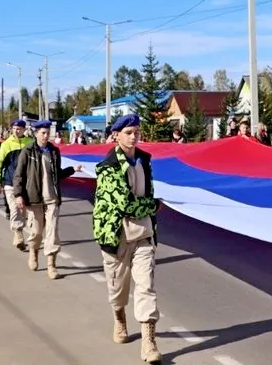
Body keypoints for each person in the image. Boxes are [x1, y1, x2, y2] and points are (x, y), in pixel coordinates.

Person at [93, 113, 162, 363]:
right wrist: (153, 206)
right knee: (118, 290)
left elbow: (145, 193)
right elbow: (125, 204)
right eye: (129, 132)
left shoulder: (144, 160)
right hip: (117, 235)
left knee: (146, 286)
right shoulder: (108, 167)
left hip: (143, 234)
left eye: (137, 132)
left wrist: (150, 211)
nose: (134, 137)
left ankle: (149, 342)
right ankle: (119, 317)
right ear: (116, 135)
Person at [13, 120, 82, 280]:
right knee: (36, 232)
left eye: (47, 133)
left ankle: (52, 265)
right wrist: (18, 195)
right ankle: (34, 253)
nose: (46, 136)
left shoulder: (54, 151)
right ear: (36, 133)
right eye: (43, 133)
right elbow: (19, 175)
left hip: (52, 199)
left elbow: (57, 173)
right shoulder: (28, 151)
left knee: (52, 233)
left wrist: (72, 170)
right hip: (34, 198)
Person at [0, 119, 33, 249]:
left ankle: (27, 232)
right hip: (10, 182)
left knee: (24, 211)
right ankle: (18, 234)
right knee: (15, 209)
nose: (17, 131)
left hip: (27, 182)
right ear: (12, 129)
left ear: (24, 129)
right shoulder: (6, 145)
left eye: (19, 128)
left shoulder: (30, 143)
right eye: (15, 128)